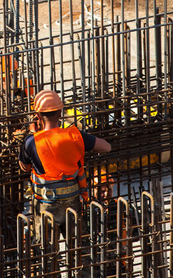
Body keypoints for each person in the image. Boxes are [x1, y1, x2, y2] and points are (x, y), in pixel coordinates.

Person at [18, 88, 111, 242]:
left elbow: (25, 167)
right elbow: (106, 147)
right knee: (79, 250)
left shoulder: (31, 141)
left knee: (46, 254)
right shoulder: (74, 135)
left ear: (38, 115)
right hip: (71, 201)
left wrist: (32, 136)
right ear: (60, 113)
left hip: (45, 204)